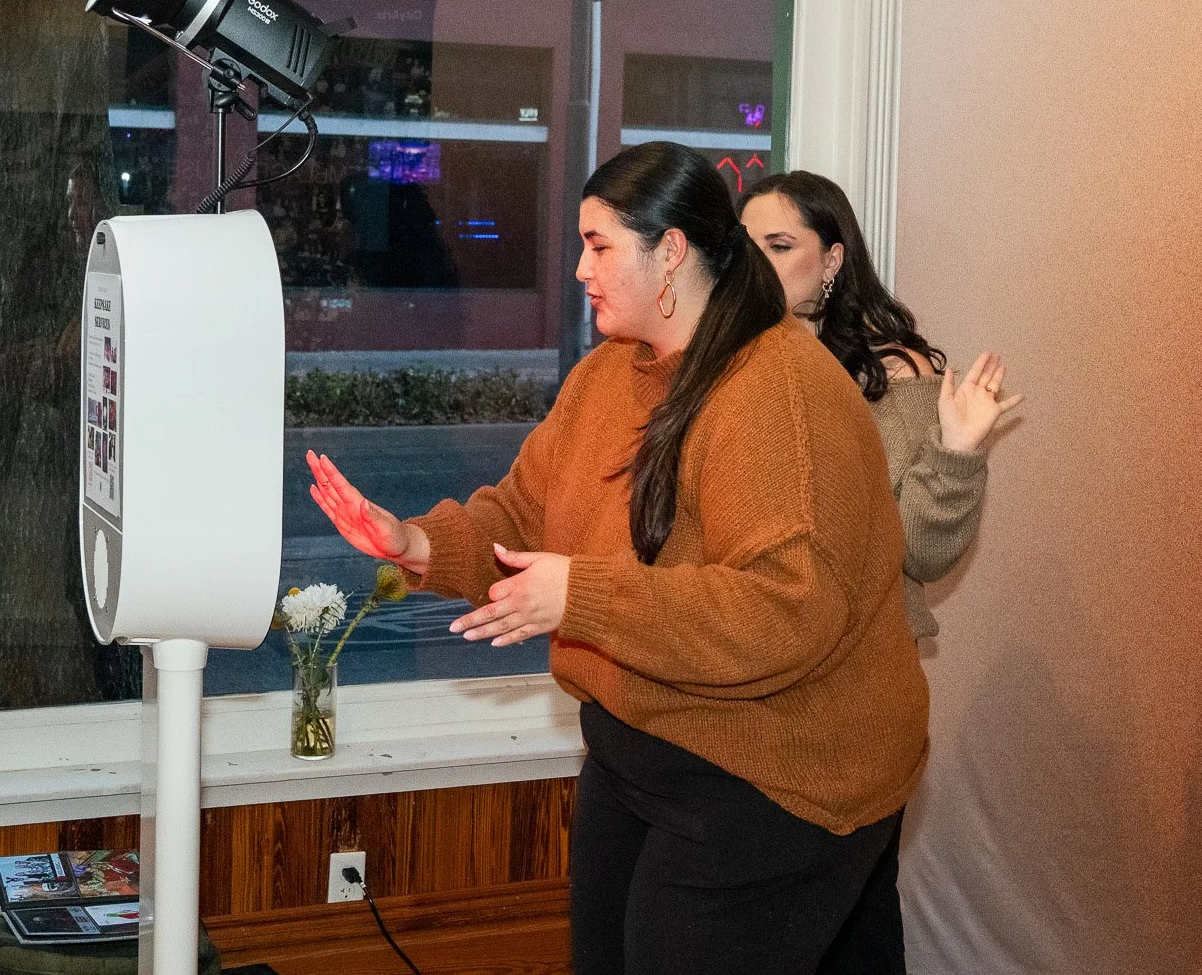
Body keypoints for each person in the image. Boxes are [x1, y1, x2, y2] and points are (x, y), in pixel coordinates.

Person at [305, 142, 928, 974]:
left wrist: (583, 595)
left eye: (599, 246)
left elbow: (787, 609)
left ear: (670, 251)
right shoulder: (610, 375)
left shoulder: (777, 390)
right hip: (641, 745)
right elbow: (524, 511)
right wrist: (416, 542)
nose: (577, 269)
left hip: (780, 779)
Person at [739, 168, 1022, 974]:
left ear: (832, 259)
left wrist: (959, 454)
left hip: (853, 697)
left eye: (781, 244)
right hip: (751, 692)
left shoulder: (895, 378)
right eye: (747, 245)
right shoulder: (728, 365)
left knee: (852, 928)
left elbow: (918, 553)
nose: (759, 263)